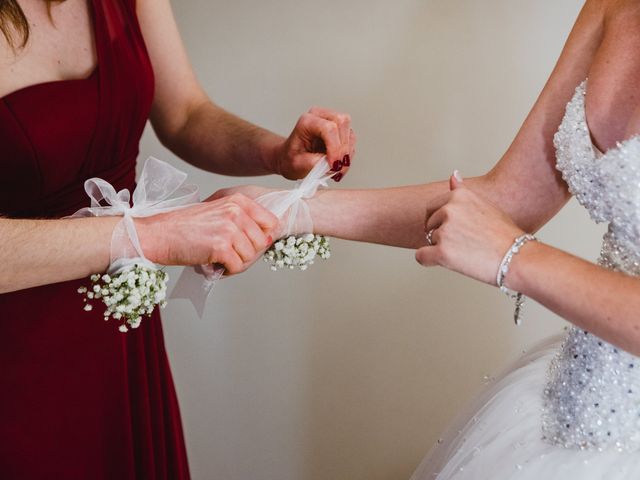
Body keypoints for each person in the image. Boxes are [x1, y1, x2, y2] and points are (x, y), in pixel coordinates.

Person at [219, 0, 640, 477]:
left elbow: (501, 235)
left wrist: (515, 257)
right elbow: (507, 201)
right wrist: (285, 211)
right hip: (578, 401)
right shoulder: (610, 7)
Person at [0, 0, 355, 477]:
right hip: (17, 352)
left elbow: (186, 114)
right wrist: (151, 236)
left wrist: (274, 151)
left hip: (120, 331)